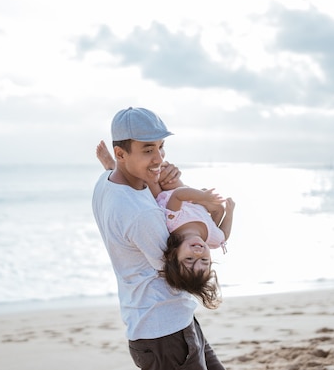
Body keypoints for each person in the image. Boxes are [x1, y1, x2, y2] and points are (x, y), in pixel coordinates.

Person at [92, 107, 226, 370]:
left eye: (161, 147)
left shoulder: (106, 181)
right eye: (147, 150)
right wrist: (177, 188)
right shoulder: (141, 215)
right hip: (164, 334)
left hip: (166, 322)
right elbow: (179, 268)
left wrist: (170, 183)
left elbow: (148, 198)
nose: (159, 158)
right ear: (121, 154)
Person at [96, 140, 235, 309]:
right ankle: (124, 168)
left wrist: (202, 197)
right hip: (191, 201)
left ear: (176, 255)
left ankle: (113, 167)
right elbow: (224, 235)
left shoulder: (173, 226)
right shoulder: (212, 238)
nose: (198, 253)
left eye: (190, 259)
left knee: (154, 180)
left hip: (165, 199)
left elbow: (177, 196)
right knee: (166, 172)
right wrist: (229, 211)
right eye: (204, 260)